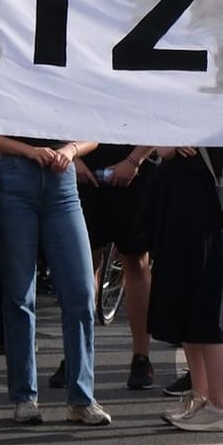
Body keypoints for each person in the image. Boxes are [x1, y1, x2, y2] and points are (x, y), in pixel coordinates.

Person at [0, 132, 110, 427]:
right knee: (20, 296)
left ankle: (82, 399)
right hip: (15, 179)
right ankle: (25, 398)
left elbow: (92, 132)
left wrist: (71, 150)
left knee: (81, 294)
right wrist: (28, 151)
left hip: (62, 183)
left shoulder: (66, 84)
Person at [148, 146, 223, 432]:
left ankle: (220, 403)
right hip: (190, 193)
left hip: (202, 197)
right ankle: (202, 396)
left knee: (208, 302)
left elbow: (171, 146)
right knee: (191, 300)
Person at [76, 142, 158, 388]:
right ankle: (77, 354)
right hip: (85, 163)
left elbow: (158, 113)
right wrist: (72, 157)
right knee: (84, 261)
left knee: (135, 260)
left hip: (135, 168)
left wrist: (134, 160)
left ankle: (141, 358)